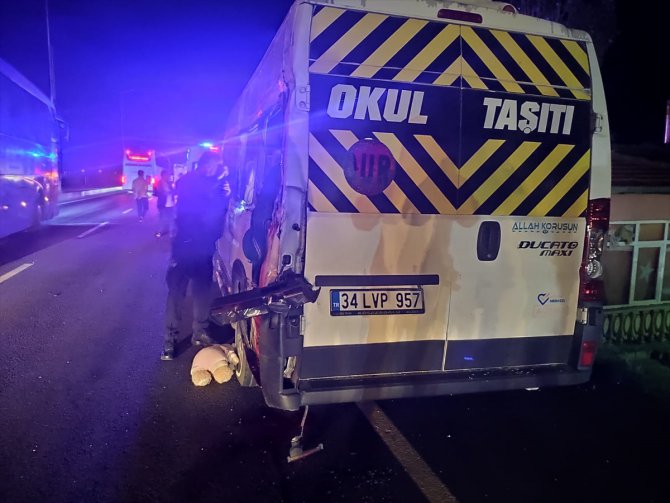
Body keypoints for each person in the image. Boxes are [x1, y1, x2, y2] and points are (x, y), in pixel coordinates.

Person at [161, 150, 231, 360]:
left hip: (198, 246)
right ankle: (172, 341)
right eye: (215, 165)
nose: (217, 169)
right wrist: (219, 183)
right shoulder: (192, 182)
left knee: (199, 292)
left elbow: (217, 210)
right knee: (178, 292)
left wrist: (223, 191)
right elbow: (204, 205)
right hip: (188, 245)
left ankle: (196, 333)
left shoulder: (207, 183)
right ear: (206, 164)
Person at [154, 169, 175, 237]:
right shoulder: (159, 183)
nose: (168, 176)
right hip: (162, 203)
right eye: (167, 175)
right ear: (163, 175)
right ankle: (160, 231)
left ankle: (171, 232)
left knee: (171, 218)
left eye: (168, 175)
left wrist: (172, 192)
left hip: (170, 204)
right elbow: (158, 192)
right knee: (162, 218)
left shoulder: (170, 183)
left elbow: (173, 191)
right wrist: (166, 193)